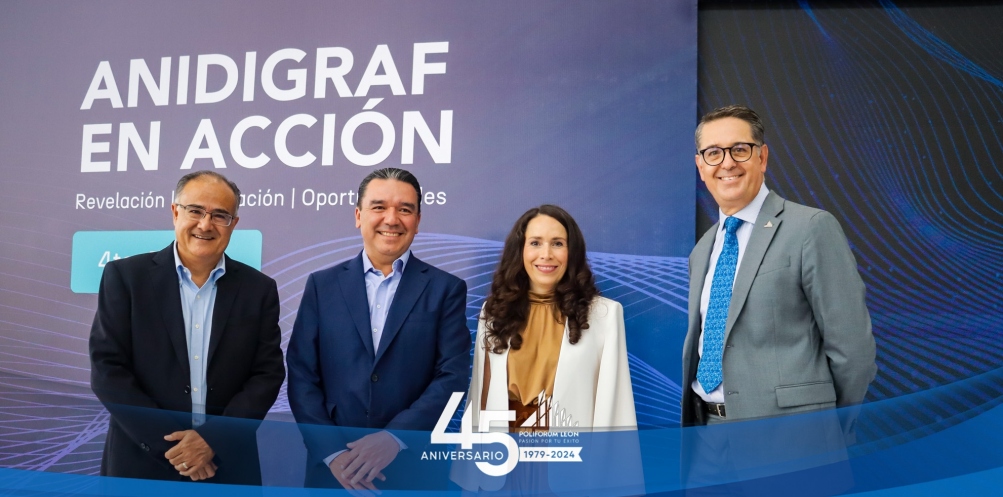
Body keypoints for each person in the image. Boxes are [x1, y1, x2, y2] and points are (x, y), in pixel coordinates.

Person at [682, 105, 876, 426]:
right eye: (713, 153)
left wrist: (826, 428)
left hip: (791, 435)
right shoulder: (702, 250)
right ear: (701, 166)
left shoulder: (810, 228)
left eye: (739, 149)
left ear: (762, 157)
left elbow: (853, 350)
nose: (727, 163)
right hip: (706, 433)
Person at [89, 171, 285, 484]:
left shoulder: (258, 289)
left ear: (233, 223)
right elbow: (107, 370)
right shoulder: (126, 277)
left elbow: (267, 374)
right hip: (141, 466)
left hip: (228, 466)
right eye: (195, 210)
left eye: (220, 215)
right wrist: (177, 449)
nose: (205, 225)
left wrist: (213, 441)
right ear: (175, 212)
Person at [286, 167, 471, 491]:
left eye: (405, 209)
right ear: (359, 216)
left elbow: (452, 376)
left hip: (413, 471)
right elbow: (302, 374)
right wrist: (332, 454)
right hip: (334, 473)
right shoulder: (322, 285)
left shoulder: (446, 289)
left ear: (417, 220)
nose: (392, 219)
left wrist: (395, 438)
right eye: (379, 207)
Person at [467, 204, 636, 431]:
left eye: (557, 243)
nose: (546, 254)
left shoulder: (604, 315)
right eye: (535, 243)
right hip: (505, 447)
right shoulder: (495, 311)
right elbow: (481, 398)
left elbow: (615, 408)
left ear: (572, 251)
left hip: (571, 448)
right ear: (520, 250)